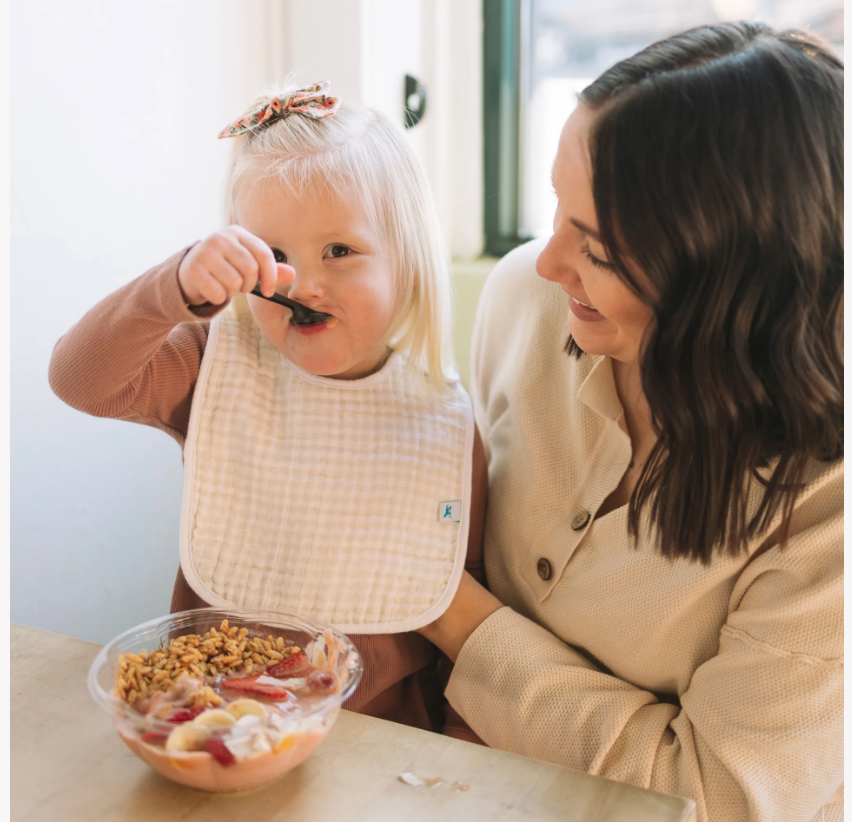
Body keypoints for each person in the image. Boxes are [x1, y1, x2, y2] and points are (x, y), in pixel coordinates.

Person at [419, 22, 843, 822]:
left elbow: (712, 800)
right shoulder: (529, 303)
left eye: (601, 251)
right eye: (557, 206)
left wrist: (455, 615)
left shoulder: (829, 498)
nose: (547, 263)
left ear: (730, 291)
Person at [49, 82, 486, 736]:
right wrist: (174, 288)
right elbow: (76, 379)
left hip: (381, 761)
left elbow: (465, 647)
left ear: (410, 263)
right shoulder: (213, 367)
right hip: (205, 734)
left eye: (339, 251)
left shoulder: (447, 426)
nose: (302, 283)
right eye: (273, 255)